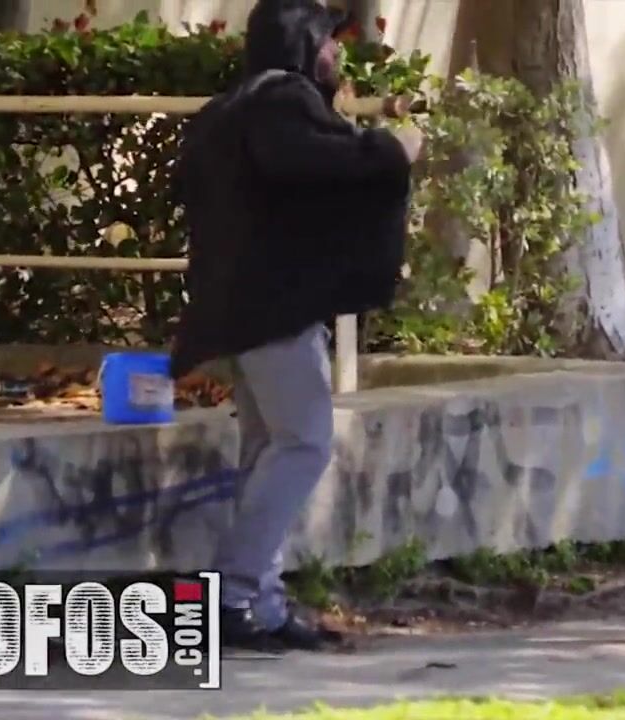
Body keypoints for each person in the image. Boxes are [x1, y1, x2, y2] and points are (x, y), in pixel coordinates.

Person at [169, 0, 423, 652]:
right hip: (272, 309)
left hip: (240, 309)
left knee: (266, 450)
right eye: (328, 43)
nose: (336, 54)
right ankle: (230, 595)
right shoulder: (281, 101)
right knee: (305, 443)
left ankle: (262, 603)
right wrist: (393, 150)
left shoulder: (233, 108)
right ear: (301, 44)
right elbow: (318, 163)